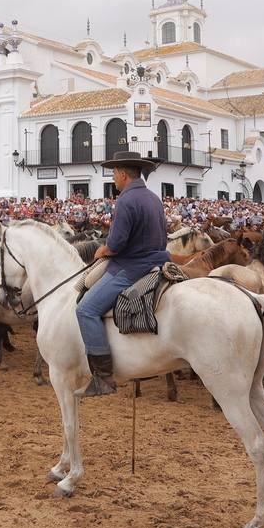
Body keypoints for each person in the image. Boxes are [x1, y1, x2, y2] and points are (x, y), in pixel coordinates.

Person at [74, 151, 169, 398]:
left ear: (123, 174)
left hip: (131, 267)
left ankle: (103, 377)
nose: (113, 177)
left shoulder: (126, 200)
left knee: (85, 309)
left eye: (114, 173)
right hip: (158, 262)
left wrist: (103, 250)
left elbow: (116, 244)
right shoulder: (153, 198)